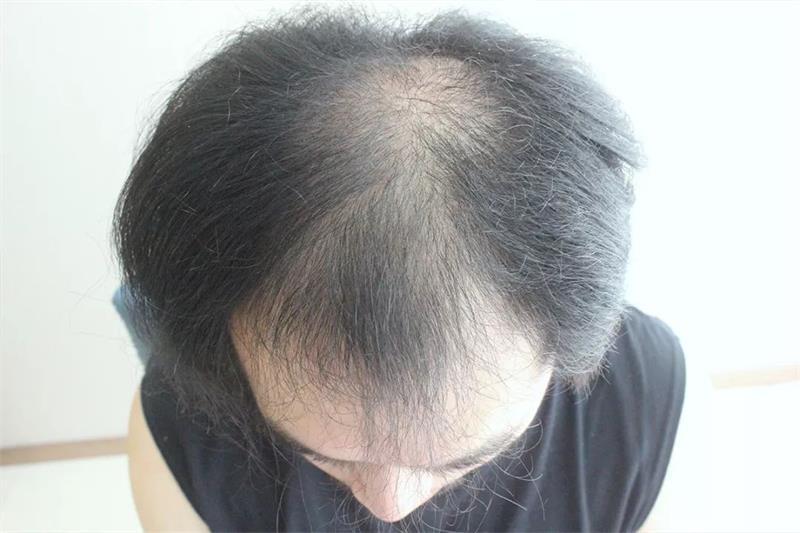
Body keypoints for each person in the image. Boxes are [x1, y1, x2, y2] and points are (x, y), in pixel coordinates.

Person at [117, 5, 703, 531]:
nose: (390, 505)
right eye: (325, 454)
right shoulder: (182, 435)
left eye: (461, 459)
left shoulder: (652, 408)